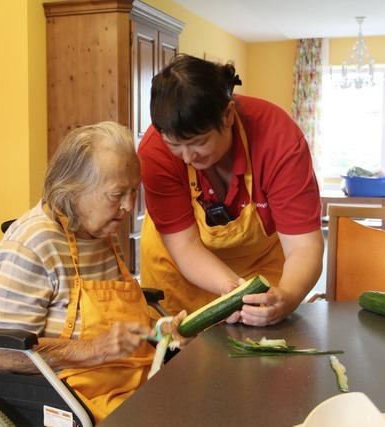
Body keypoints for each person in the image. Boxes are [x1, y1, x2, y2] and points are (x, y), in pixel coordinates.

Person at [0, 121, 188, 423]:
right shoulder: (32, 244)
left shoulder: (99, 233)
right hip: (72, 392)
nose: (130, 206)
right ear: (74, 186)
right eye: (117, 194)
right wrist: (94, 349)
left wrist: (158, 328)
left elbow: (116, 317)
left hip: (126, 376)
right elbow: (3, 355)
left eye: (134, 191)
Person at [138, 54, 324, 327]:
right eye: (174, 145)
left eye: (198, 142)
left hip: (259, 264)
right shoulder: (155, 151)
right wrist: (232, 289)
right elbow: (184, 244)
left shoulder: (278, 139)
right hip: (179, 266)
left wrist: (286, 296)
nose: (187, 157)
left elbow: (304, 246)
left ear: (227, 115)